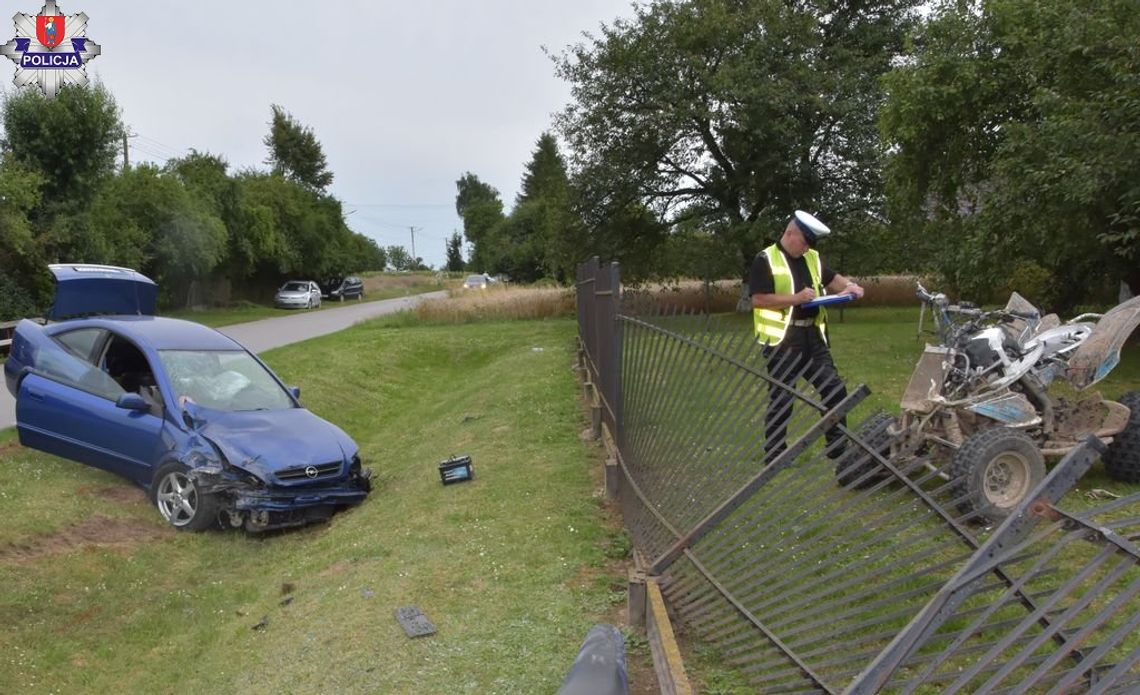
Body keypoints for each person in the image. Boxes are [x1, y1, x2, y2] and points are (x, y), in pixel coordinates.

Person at [750, 210, 864, 463]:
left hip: (813, 336)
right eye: (804, 242)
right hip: (783, 340)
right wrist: (796, 298)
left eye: (810, 244)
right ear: (790, 233)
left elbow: (832, 278)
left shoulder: (812, 257)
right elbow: (758, 299)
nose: (806, 248)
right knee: (783, 395)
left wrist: (850, 287)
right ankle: (776, 453)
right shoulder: (765, 259)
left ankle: (836, 447)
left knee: (834, 388)